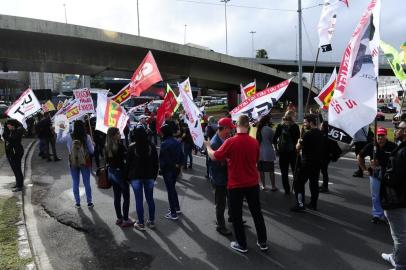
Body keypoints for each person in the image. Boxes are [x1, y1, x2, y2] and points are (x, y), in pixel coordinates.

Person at [205, 115, 268, 253]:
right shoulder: (254, 142)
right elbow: (256, 160)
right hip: (252, 183)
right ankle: (263, 242)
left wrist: (208, 147)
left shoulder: (230, 142)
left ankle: (242, 244)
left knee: (237, 216)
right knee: (257, 213)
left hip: (236, 185)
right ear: (248, 126)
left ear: (237, 125)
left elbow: (215, 156)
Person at [357, 127, 397, 224]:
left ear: (386, 136)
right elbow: (359, 156)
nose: (380, 138)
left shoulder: (393, 146)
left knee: (388, 195)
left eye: (382, 135)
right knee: (375, 196)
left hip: (388, 175)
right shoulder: (371, 146)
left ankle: (388, 216)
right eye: (378, 136)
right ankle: (377, 215)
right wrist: (364, 170)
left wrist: (381, 163)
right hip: (374, 174)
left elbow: (398, 160)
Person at [380, 121, 406, 270]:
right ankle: (396, 256)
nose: (395, 130)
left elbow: (393, 178)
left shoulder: (402, 151)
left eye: (398, 128)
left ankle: (400, 265)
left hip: (397, 199)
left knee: (400, 236)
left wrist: (381, 171)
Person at [57, 120, 94, 208]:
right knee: (87, 183)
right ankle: (89, 202)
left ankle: (77, 203)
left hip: (73, 162)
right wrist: (93, 145)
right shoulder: (87, 137)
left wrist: (61, 130)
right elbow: (92, 151)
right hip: (84, 162)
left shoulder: (69, 136)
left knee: (75, 182)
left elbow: (58, 141)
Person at [208, 117, 235, 236]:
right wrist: (229, 159)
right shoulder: (215, 143)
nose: (231, 131)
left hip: (226, 176)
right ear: (223, 128)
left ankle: (231, 217)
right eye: (229, 129)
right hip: (219, 178)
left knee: (231, 199)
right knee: (220, 203)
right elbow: (216, 163)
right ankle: (220, 225)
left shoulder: (224, 138)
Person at [128, 127, 159, 230]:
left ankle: (140, 223)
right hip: (149, 176)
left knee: (139, 200)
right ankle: (151, 221)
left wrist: (129, 178)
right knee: (150, 199)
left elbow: (128, 165)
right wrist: (154, 176)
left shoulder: (132, 147)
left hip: (136, 177)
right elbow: (156, 163)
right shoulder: (152, 146)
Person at [291, 114, 324, 212]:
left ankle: (300, 204)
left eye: (305, 122)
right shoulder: (319, 133)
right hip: (317, 163)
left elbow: (297, 147)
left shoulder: (308, 134)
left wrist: (298, 140)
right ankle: (313, 204)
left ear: (310, 122)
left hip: (306, 163)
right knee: (314, 184)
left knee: (299, 183)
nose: (304, 124)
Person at [104, 127, 132, 228]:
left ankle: (119, 218)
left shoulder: (107, 146)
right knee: (126, 197)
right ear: (114, 135)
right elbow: (126, 160)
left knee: (117, 196)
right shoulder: (120, 146)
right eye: (118, 133)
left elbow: (107, 160)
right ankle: (125, 219)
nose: (120, 134)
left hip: (111, 172)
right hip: (120, 173)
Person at [159, 124, 184, 220]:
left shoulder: (164, 143)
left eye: (161, 132)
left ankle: (173, 213)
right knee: (172, 188)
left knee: (170, 190)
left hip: (168, 170)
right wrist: (179, 166)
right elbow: (182, 156)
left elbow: (163, 160)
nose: (160, 134)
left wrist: (161, 169)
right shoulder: (177, 142)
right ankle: (176, 208)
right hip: (176, 169)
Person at [273, 110, 300, 195]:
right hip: (293, 152)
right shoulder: (295, 126)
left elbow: (274, 139)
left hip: (283, 152)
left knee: (284, 172)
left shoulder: (280, 126)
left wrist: (277, 149)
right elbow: (297, 140)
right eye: (294, 115)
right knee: (295, 171)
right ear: (292, 116)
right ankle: (296, 189)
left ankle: (287, 190)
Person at [256, 114, 277, 191]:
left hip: (259, 152)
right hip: (268, 152)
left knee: (261, 170)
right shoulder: (269, 129)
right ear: (268, 120)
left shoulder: (258, 129)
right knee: (271, 170)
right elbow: (272, 140)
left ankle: (263, 185)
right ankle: (273, 186)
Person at [319, 121, 341, 193]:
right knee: (323, 171)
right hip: (325, 156)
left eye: (321, 125)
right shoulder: (327, 134)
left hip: (324, 157)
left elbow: (326, 146)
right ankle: (324, 185)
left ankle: (325, 187)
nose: (320, 126)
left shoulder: (325, 135)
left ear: (324, 126)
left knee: (324, 171)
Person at [3, 119, 24, 192]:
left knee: (17, 169)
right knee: (15, 169)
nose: (7, 126)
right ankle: (18, 183)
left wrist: (5, 136)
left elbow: (12, 139)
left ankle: (20, 186)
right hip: (11, 153)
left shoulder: (18, 131)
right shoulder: (11, 131)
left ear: (13, 125)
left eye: (9, 125)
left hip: (16, 153)